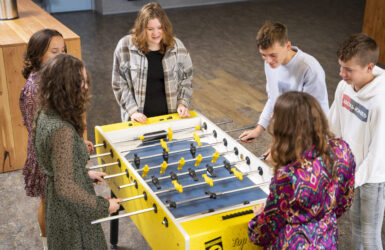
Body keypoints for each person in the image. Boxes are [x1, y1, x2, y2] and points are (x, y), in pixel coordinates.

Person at [34, 54, 122, 250]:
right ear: (63, 86)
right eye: (79, 81)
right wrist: (104, 206)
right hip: (72, 217)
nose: (85, 86)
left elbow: (58, 166)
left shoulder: (44, 112)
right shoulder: (62, 130)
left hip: (58, 209)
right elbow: (65, 187)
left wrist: (84, 174)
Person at [248, 91, 356, 248]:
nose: (271, 116)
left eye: (275, 114)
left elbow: (268, 230)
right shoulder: (342, 150)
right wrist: (321, 217)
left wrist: (257, 220)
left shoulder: (287, 175)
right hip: (327, 239)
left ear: (286, 127)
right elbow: (344, 201)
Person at [328, 33, 385, 249]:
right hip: (351, 172)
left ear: (369, 68)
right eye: (341, 67)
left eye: (348, 70)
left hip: (373, 178)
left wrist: (350, 182)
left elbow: (378, 155)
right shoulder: (344, 87)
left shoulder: (381, 101)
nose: (341, 74)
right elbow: (332, 127)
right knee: (356, 229)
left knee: (370, 236)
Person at [240, 22, 328, 145]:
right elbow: (273, 98)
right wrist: (259, 128)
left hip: (311, 136)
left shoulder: (310, 68)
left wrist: (284, 148)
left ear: (287, 46)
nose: (269, 60)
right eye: (263, 55)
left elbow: (312, 115)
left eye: (273, 55)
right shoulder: (270, 63)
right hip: (287, 130)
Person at [19, 29, 66, 240]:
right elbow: (38, 132)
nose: (61, 56)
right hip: (46, 156)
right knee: (48, 202)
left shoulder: (54, 76)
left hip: (60, 148)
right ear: (39, 55)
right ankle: (49, 243)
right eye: (54, 51)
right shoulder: (33, 89)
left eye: (63, 50)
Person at [112, 2, 193, 123]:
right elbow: (119, 83)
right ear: (141, 28)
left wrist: (182, 103)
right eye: (150, 29)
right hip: (139, 121)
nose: (156, 33)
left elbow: (186, 79)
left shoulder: (177, 47)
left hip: (170, 119)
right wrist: (133, 111)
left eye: (160, 28)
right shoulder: (124, 47)